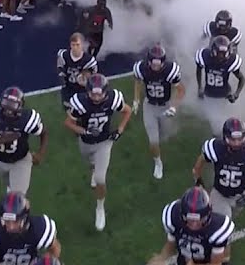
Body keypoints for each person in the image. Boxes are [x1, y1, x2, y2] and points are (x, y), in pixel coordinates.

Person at [64, 73, 133, 230]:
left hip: (104, 142)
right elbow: (68, 123)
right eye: (93, 94)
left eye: (99, 94)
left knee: (100, 179)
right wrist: (84, 131)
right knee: (92, 164)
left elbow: (127, 111)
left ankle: (100, 208)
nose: (96, 97)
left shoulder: (112, 99)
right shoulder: (80, 102)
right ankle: (94, 169)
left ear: (105, 92)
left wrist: (120, 129)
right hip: (85, 142)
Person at [0, 86, 47, 194]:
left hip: (20, 160)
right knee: (9, 184)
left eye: (12, 106)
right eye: (6, 104)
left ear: (20, 106)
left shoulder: (27, 119)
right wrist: (1, 140)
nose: (8, 110)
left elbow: (43, 133)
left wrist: (40, 154)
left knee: (17, 197)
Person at [133, 43, 186, 180]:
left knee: (164, 132)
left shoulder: (170, 70)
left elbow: (181, 90)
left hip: (165, 105)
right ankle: (158, 163)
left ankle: (161, 133)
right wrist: (136, 100)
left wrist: (173, 107)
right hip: (150, 106)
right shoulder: (142, 68)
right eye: (153, 64)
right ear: (149, 61)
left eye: (158, 64)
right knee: (153, 141)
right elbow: (138, 82)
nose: (155, 67)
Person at [196, 35, 245, 105]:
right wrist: (200, 87)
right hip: (208, 93)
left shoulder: (231, 61)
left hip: (224, 95)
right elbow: (198, 70)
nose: (221, 56)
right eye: (219, 53)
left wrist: (236, 95)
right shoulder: (205, 57)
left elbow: (242, 79)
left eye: (223, 53)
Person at [57, 32, 99, 111]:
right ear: (70, 45)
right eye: (73, 45)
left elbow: (94, 77)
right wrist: (62, 79)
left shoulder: (89, 60)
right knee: (69, 110)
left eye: (77, 45)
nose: (75, 47)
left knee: (83, 110)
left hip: (82, 89)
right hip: (68, 87)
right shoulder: (64, 55)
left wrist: (86, 81)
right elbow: (60, 68)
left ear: (82, 45)